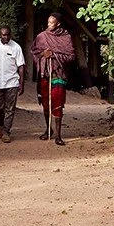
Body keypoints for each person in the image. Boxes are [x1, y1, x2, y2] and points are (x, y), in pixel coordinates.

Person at [33, 14, 75, 145]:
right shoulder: (41, 37)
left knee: (57, 104)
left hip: (58, 75)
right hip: (45, 74)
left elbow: (71, 56)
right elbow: (34, 52)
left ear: (58, 24)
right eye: (48, 22)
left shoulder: (65, 37)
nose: (49, 25)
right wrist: (42, 55)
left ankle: (58, 135)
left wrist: (54, 55)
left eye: (52, 23)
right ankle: (48, 130)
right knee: (46, 103)